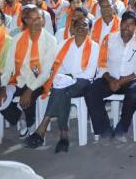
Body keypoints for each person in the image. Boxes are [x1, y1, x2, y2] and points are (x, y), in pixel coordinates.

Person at [25, 15, 99, 152]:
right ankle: (63, 135)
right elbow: (58, 66)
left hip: (84, 83)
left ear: (89, 30)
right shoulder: (64, 44)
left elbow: (89, 73)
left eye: (85, 25)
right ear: (73, 28)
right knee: (62, 90)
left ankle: (43, 126)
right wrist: (63, 77)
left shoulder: (95, 47)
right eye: (78, 25)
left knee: (61, 88)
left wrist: (70, 78)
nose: (81, 27)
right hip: (63, 82)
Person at [86, 10, 136, 140]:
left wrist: (123, 80)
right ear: (120, 23)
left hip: (132, 79)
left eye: (131, 24)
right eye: (124, 23)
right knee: (91, 91)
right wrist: (111, 80)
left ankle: (122, 126)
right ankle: (104, 128)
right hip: (111, 79)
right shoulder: (109, 38)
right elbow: (101, 63)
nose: (127, 27)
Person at [0, 5, 59, 136]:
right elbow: (8, 66)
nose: (35, 22)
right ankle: (20, 117)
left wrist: (29, 91)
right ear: (26, 21)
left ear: (43, 21)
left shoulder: (50, 40)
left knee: (28, 96)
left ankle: (30, 123)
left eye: (38, 18)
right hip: (19, 79)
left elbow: (46, 73)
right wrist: (2, 87)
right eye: (32, 18)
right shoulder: (17, 38)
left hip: (40, 81)